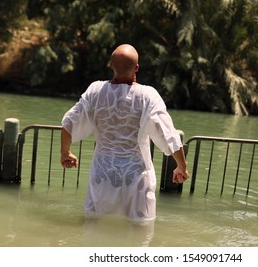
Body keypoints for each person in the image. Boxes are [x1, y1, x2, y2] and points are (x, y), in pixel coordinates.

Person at [60, 44, 189, 224]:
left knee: (94, 224)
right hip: (136, 175)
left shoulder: (95, 91)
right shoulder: (148, 95)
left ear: (111, 65)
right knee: (141, 228)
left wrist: (65, 152)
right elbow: (168, 132)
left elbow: (69, 122)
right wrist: (181, 165)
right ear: (136, 68)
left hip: (103, 173)